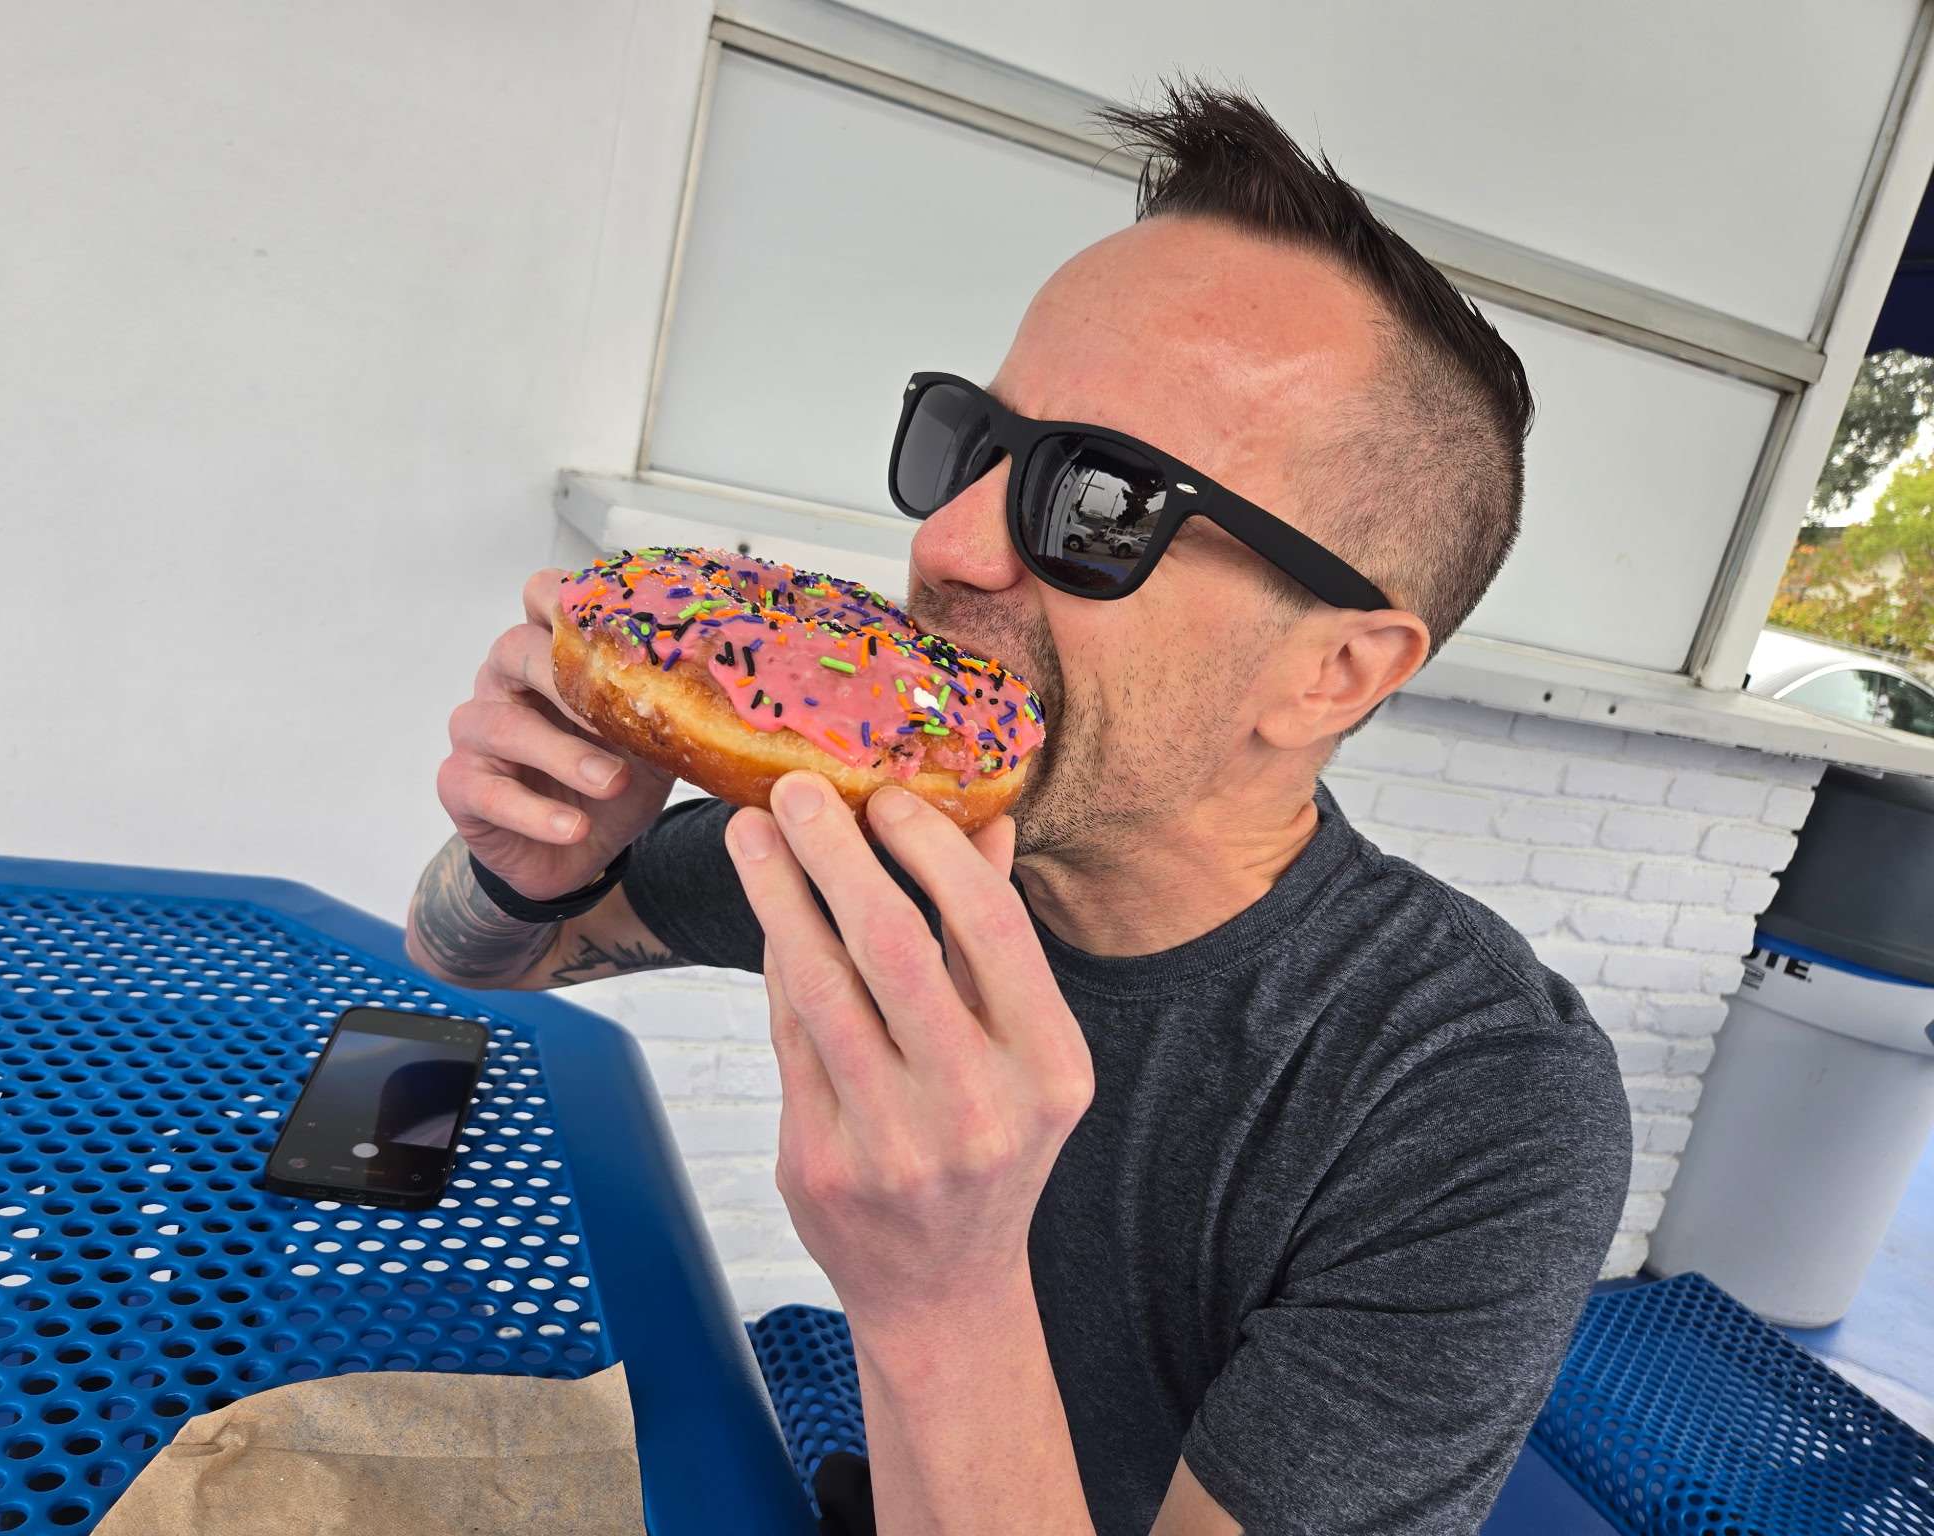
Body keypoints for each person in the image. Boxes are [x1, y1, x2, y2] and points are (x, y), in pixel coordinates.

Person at [405, 79, 1631, 1536]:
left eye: (1101, 503)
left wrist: (937, 1298)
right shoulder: (886, 847)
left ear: (1334, 671)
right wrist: (527, 863)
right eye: (970, 441)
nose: (949, 542)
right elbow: (478, 962)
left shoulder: (1477, 1102)